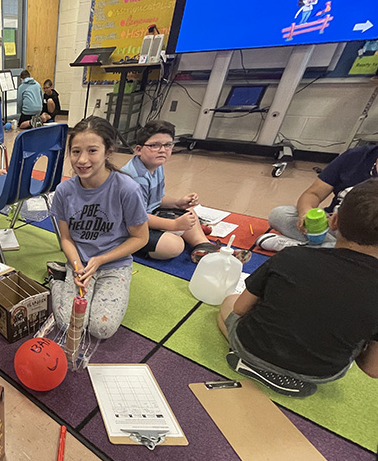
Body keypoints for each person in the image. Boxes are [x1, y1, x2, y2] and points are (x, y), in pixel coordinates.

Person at [218, 179, 378, 398]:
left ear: (334, 222)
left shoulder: (292, 256)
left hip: (252, 348)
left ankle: (251, 363)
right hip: (322, 372)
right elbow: (372, 369)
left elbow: (239, 308)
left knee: (228, 301)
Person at [49, 116, 149, 339]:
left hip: (114, 266)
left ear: (108, 151)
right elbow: (66, 238)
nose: (82, 160)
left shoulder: (127, 189)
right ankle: (56, 279)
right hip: (79, 265)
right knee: (69, 323)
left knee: (101, 329)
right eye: (76, 152)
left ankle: (69, 280)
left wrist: (101, 260)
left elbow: (140, 238)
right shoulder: (65, 190)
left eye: (92, 150)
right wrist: (76, 265)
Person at [120, 120, 250, 263]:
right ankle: (139, 246)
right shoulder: (133, 177)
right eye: (154, 145)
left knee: (189, 212)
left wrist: (177, 203)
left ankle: (203, 246)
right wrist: (173, 225)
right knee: (174, 246)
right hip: (128, 227)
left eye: (168, 145)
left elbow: (155, 200)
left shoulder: (156, 166)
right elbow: (138, 217)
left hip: (146, 218)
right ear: (139, 149)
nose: (162, 150)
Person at [262, 143, 378, 251]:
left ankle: (299, 247)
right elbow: (313, 194)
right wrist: (305, 214)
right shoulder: (356, 156)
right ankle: (327, 249)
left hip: (368, 240)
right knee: (279, 215)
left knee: (362, 252)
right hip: (333, 223)